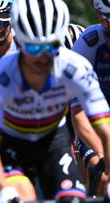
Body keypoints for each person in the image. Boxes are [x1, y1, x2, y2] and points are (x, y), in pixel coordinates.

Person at [0, 0, 110, 202]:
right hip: (13, 146)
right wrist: (4, 190)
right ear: (19, 43)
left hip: (54, 144)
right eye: (34, 49)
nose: (43, 57)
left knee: (73, 199)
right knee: (24, 197)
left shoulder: (76, 67)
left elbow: (105, 128)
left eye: (51, 48)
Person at [72, 0, 110, 195]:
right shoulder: (88, 44)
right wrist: (102, 152)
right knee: (102, 173)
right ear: (102, 20)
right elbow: (78, 113)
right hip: (93, 118)